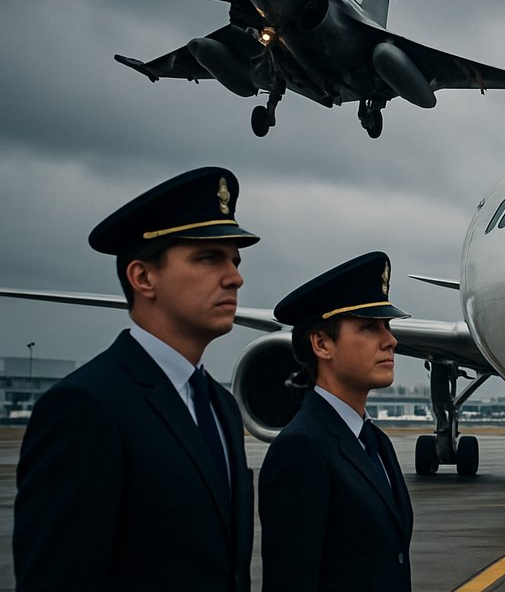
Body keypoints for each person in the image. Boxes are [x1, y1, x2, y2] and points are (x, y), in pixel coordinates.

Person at [14, 166, 259, 591]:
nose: (235, 276)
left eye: (234, 260)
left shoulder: (220, 407)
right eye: (208, 257)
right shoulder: (84, 408)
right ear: (143, 277)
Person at [259, 251, 415, 592]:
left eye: (387, 326)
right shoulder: (301, 448)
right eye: (369, 327)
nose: (390, 340)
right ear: (321, 343)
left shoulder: (375, 442)